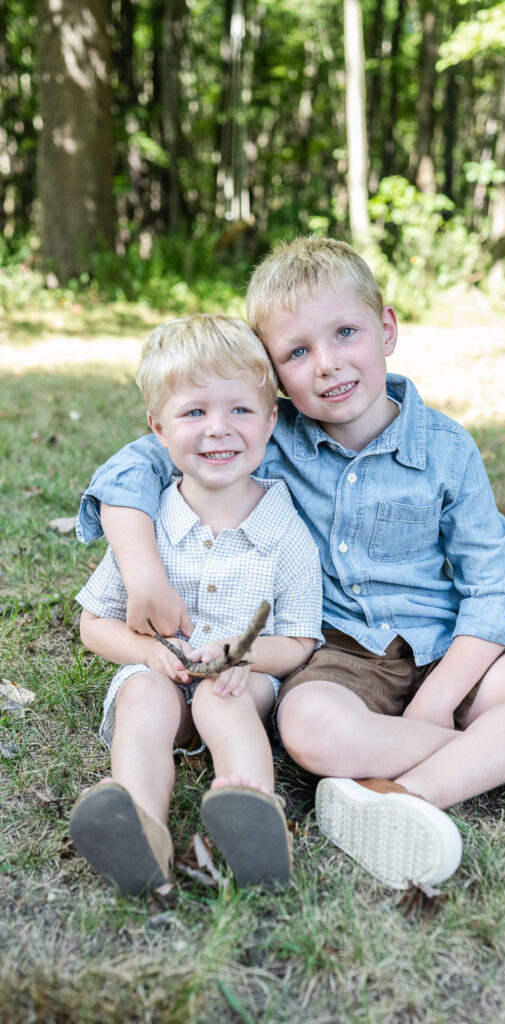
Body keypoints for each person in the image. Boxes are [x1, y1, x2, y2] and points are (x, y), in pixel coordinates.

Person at [76, 239, 505, 891]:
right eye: (296, 353)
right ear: (274, 378)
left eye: (345, 333)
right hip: (340, 664)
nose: (326, 365)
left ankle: (403, 795)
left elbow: (492, 591)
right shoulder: (264, 440)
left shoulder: (444, 449)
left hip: (451, 656)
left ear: (385, 330)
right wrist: (143, 573)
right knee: (306, 726)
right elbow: (133, 467)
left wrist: (439, 699)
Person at [70, 314, 323, 895]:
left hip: (241, 683)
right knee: (142, 696)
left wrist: (243, 655)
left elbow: (302, 641)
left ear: (270, 420)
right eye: (194, 412)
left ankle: (254, 817)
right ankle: (142, 828)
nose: (219, 430)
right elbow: (93, 624)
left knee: (221, 697)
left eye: (240, 409)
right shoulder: (148, 525)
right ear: (158, 428)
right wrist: (148, 654)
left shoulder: (287, 533)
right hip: (162, 679)